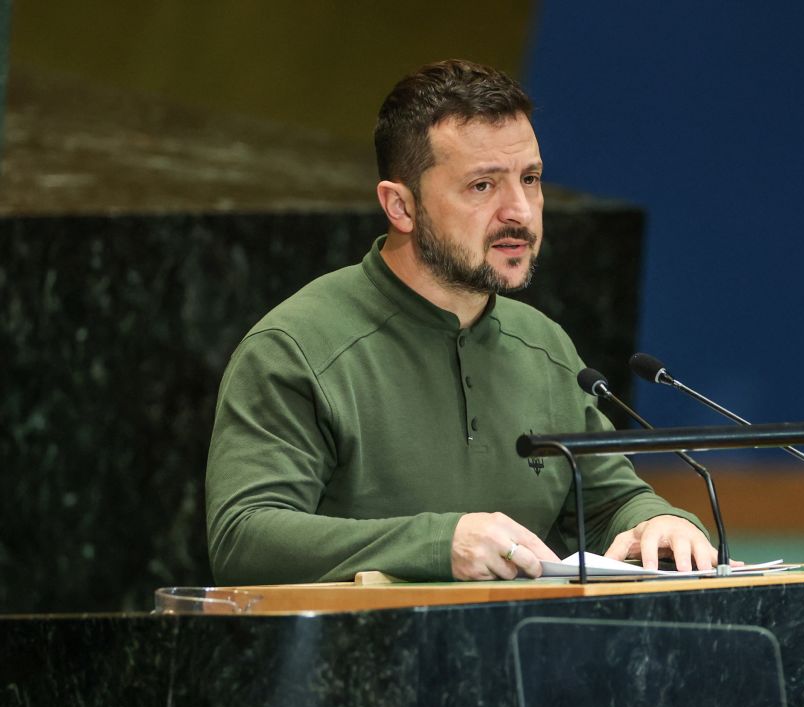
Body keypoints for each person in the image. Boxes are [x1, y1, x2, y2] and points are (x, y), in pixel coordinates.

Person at [205, 59, 717, 584]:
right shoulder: (296, 348)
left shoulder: (544, 345)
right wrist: (437, 544)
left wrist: (659, 522)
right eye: (482, 186)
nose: (519, 211)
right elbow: (244, 537)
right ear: (401, 206)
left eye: (530, 179)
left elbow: (611, 503)